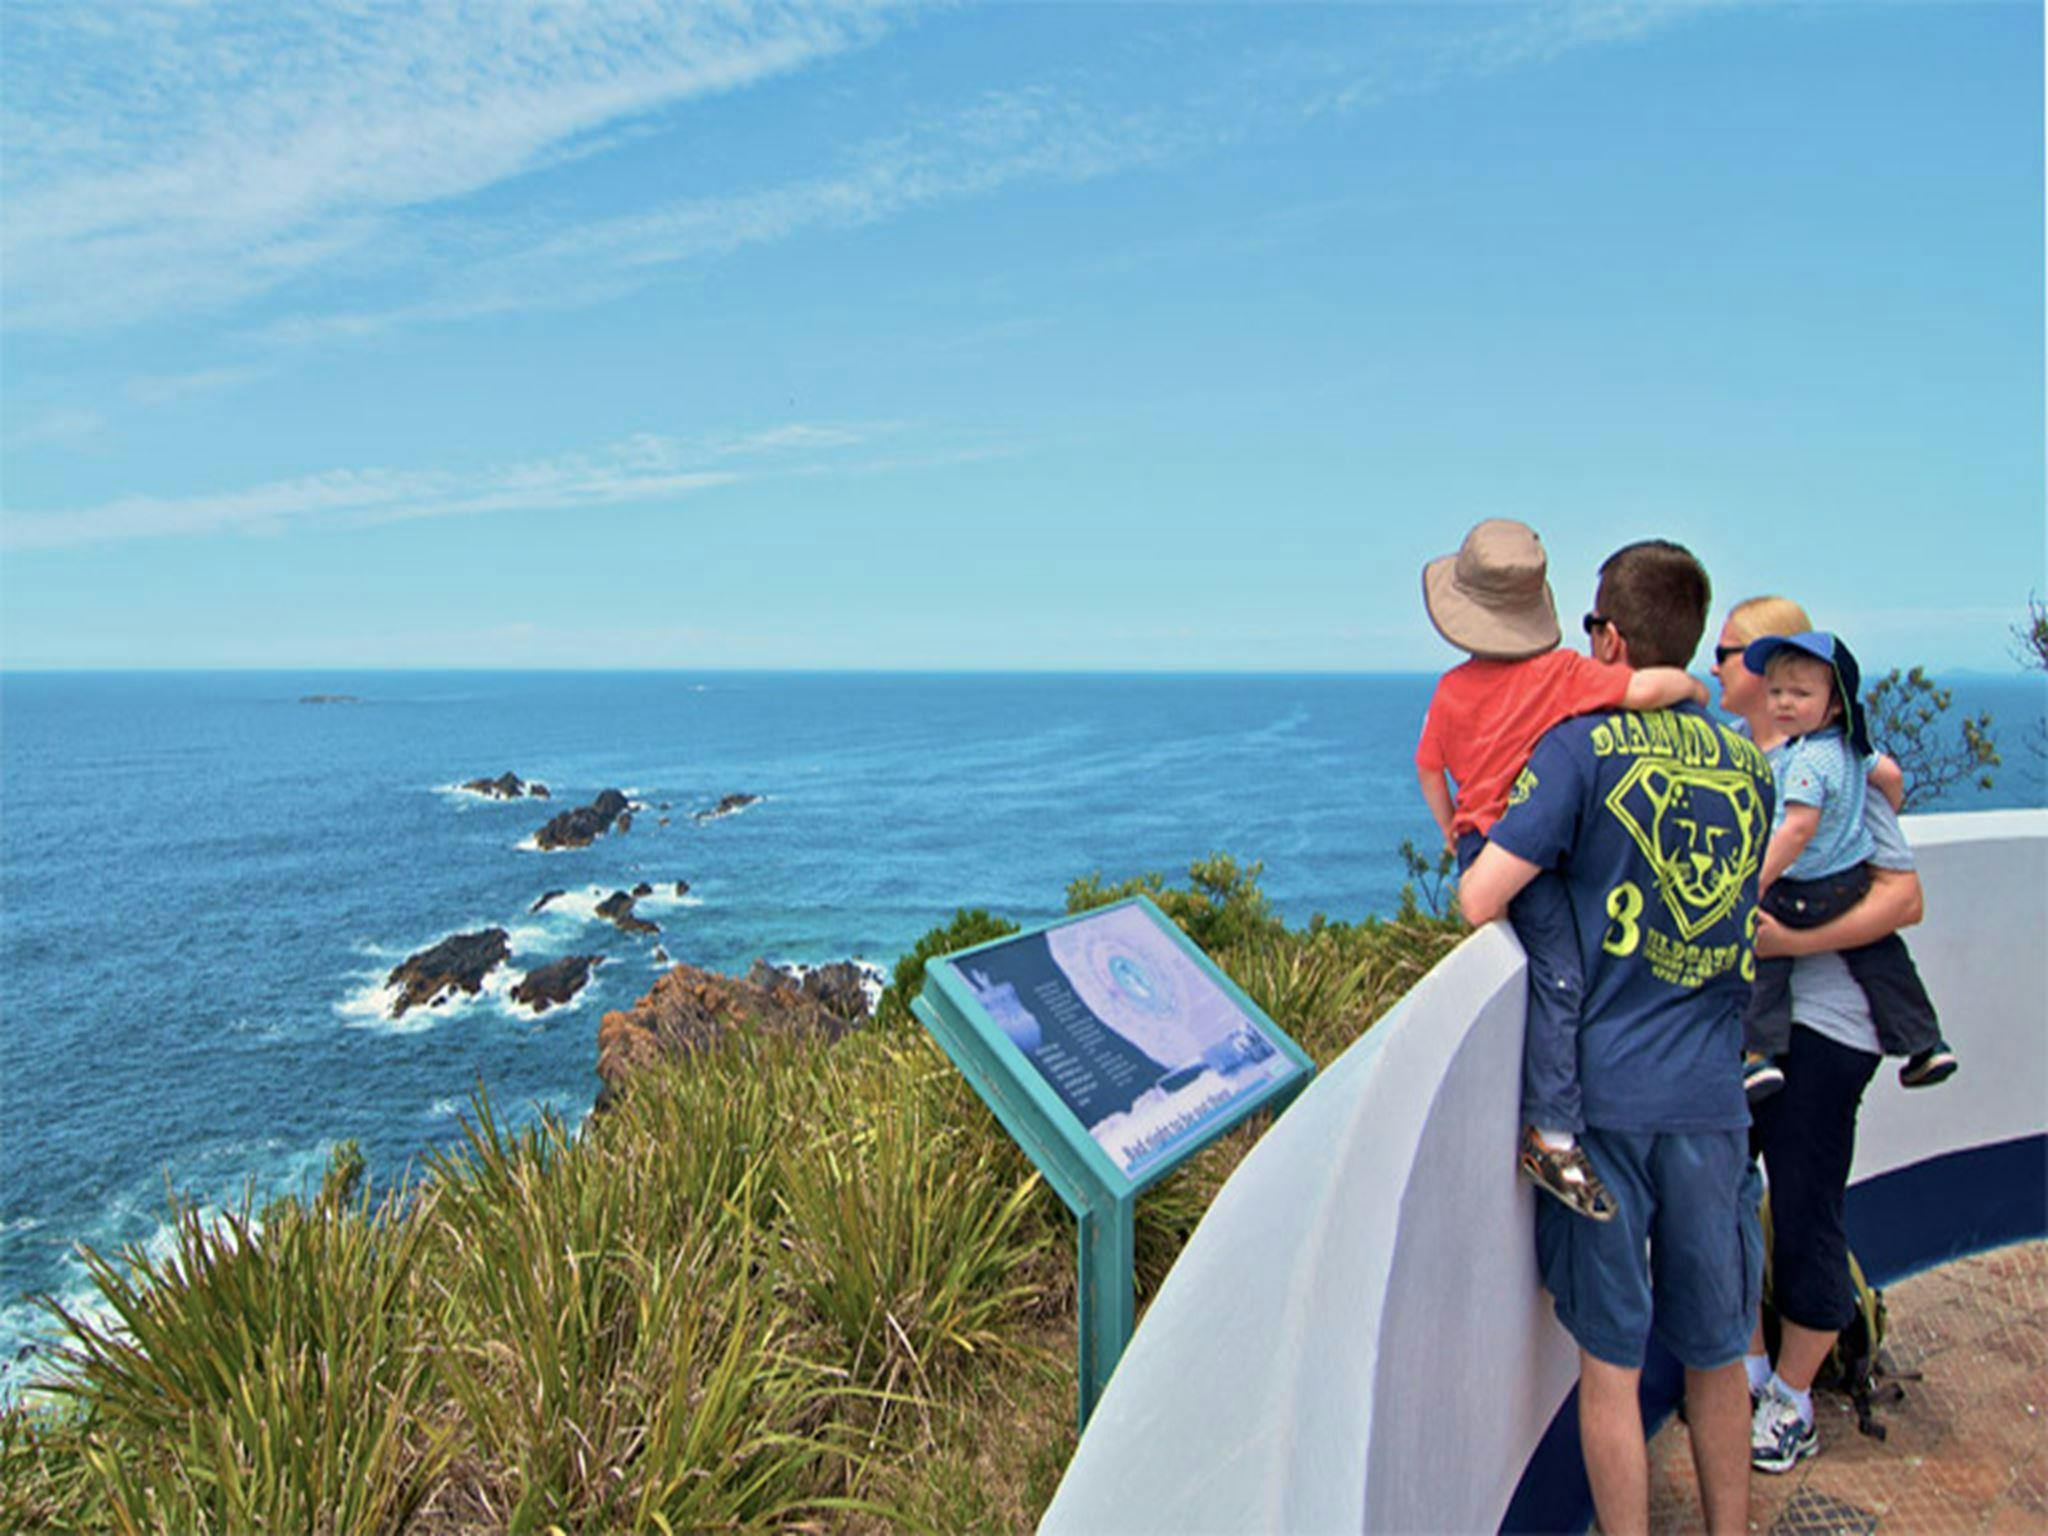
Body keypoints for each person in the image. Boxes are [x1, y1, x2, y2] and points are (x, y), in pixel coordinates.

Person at [1461, 540, 1769, 1536]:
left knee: (1611, 1366)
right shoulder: (1745, 766)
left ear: (1606, 636)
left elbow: (1478, 898)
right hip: (1710, 1102)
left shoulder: (1580, 749)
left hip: (1601, 1108)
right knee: (1719, 1352)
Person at [1416, 518, 1709, 1220]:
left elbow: (1430, 770)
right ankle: (1551, 1132)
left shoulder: (1451, 691)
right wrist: (1694, 691)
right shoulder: (1564, 677)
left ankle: (1553, 1127)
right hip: (1529, 849)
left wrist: (1455, 829)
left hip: (1481, 840)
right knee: (1561, 971)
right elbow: (1641, 691)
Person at [1709, 597, 1932, 1475]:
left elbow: (1902, 898)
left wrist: (1790, 942)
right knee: (1727, 1194)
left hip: (1829, 1027)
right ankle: (1752, 1371)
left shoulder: (1838, 771)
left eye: (1725, 654)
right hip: (1749, 1029)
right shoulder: (1750, 763)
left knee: (1805, 1208)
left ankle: (1793, 1399)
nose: (1715, 669)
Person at [1736, 630, 1956, 1102]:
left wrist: (1756, 882)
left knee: (1765, 959)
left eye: (1800, 693)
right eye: (1776, 692)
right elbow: (1891, 776)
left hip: (1802, 887)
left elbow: (1795, 831)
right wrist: (1882, 807)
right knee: (1880, 958)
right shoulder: (1852, 748)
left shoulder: (1805, 762)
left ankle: (1759, 1053)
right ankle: (1924, 1042)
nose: (1784, 703)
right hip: (1851, 880)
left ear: (1834, 704)